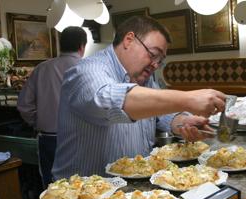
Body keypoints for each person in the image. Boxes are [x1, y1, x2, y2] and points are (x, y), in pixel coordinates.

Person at [52, 16, 226, 179]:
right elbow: (114, 100)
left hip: (134, 187)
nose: (155, 65)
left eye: (160, 60)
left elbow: (163, 116)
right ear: (129, 40)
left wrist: (183, 123)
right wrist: (188, 99)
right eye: (153, 54)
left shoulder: (145, 78)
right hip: (80, 194)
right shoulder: (87, 70)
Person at [17, 26, 88, 189]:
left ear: (59, 45)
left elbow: (24, 105)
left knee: (52, 189)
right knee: (83, 187)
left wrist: (38, 122)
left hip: (48, 139)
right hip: (81, 138)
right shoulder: (88, 68)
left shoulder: (41, 68)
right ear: (82, 46)